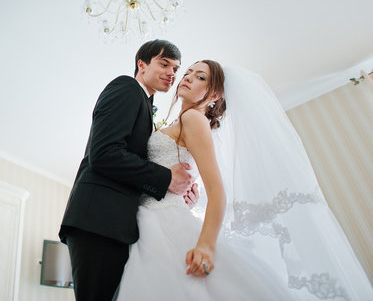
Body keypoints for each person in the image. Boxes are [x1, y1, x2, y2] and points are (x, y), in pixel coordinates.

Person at [115, 61, 373, 300]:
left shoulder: (193, 118)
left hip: (162, 221)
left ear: (214, 95)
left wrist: (205, 246)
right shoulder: (178, 121)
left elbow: (217, 190)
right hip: (155, 213)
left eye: (200, 76)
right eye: (188, 73)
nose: (189, 77)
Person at [59, 40, 197, 301]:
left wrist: (180, 189)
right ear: (141, 65)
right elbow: (104, 154)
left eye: (176, 69)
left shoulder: (145, 105)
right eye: (164, 63)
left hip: (116, 224)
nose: (172, 73)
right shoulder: (127, 87)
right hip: (99, 220)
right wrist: (167, 178)